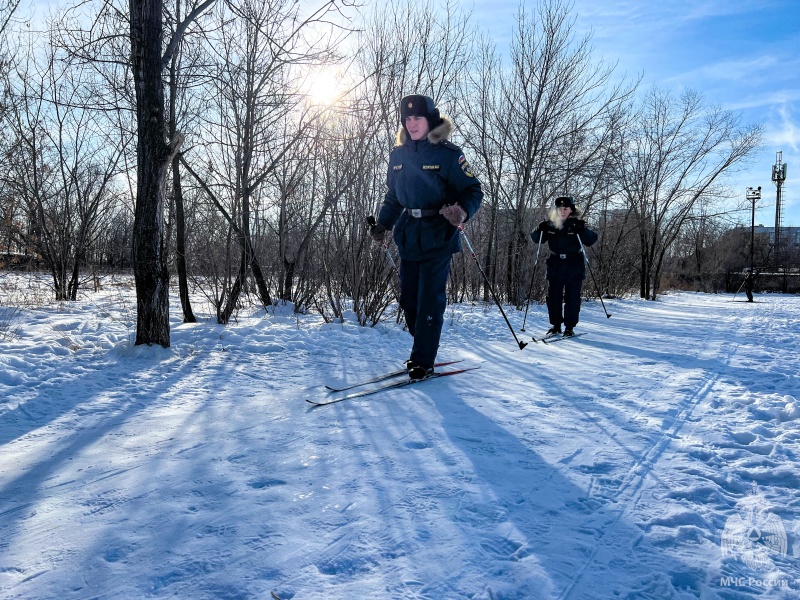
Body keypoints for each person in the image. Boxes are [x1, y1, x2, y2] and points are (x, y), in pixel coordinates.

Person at [370, 94, 483, 380]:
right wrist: (382, 225)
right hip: (409, 234)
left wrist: (462, 212)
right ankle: (424, 342)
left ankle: (422, 360)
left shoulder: (447, 154)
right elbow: (393, 197)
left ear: (429, 120)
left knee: (430, 301)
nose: (412, 124)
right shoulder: (398, 155)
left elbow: (473, 191)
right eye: (407, 119)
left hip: (439, 233)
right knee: (410, 303)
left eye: (417, 118)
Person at [530, 196, 598, 337]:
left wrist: (583, 230)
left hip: (574, 265)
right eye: (559, 208)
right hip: (556, 264)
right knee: (553, 297)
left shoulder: (577, 224)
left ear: (571, 209)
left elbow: (592, 240)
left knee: (572, 298)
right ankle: (556, 325)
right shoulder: (551, 224)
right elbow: (536, 239)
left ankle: (569, 327)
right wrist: (538, 229)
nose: (562, 211)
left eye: (565, 208)